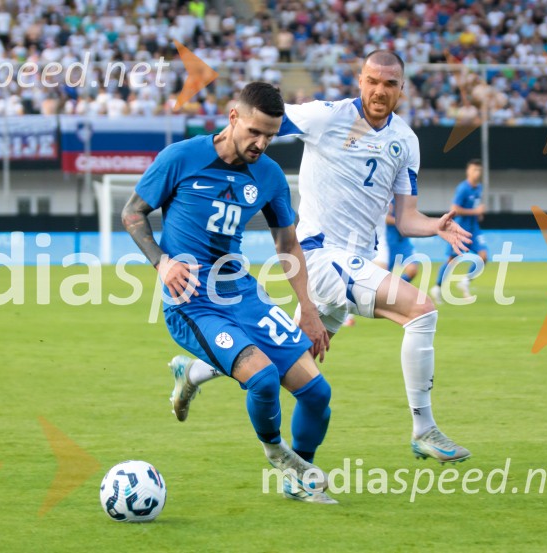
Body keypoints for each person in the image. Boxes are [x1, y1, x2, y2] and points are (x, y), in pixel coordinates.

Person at [170, 51, 474, 465]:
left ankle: (193, 373)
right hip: (318, 255)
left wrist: (435, 225)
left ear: (402, 88)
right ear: (359, 80)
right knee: (421, 310)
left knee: (287, 361)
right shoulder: (326, 116)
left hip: (353, 264)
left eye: (389, 84)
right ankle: (424, 429)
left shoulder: (406, 141)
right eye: (372, 81)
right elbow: (259, 121)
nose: (379, 91)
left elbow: (406, 218)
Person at [122, 82, 337, 504]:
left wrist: (307, 307)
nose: (261, 144)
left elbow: (287, 242)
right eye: (255, 132)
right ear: (233, 117)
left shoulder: (269, 175)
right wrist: (162, 262)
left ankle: (299, 475)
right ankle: (278, 455)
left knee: (318, 394)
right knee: (263, 379)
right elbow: (132, 213)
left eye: (270, 136)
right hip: (192, 301)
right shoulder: (181, 157)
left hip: (243, 294)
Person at [431, 159, 488, 304]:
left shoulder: (479, 188)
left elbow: (475, 206)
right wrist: (475, 211)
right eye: (474, 169)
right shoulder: (463, 188)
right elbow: (454, 209)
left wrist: (478, 214)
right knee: (452, 260)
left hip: (474, 229)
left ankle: (465, 281)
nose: (477, 173)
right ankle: (437, 287)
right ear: (468, 171)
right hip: (460, 229)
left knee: (484, 256)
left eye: (479, 170)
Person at [385, 197, 420, 283]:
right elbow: (384, 218)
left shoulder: (407, 198)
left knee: (412, 270)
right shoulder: (387, 196)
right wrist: (401, 221)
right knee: (382, 274)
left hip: (403, 242)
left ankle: (395, 286)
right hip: (387, 242)